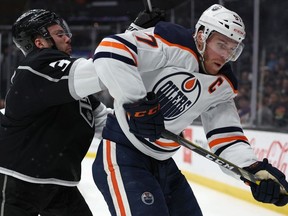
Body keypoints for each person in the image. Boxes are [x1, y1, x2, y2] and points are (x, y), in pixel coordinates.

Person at [92, 4, 288, 216]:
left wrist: (253, 170)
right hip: (123, 153)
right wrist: (138, 104)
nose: (225, 56)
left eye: (233, 49)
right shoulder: (172, 43)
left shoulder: (223, 83)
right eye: (221, 45)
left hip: (164, 164)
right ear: (202, 36)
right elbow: (110, 50)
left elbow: (227, 138)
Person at [0, 9, 111, 216]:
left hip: (59, 186)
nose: (68, 38)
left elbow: (107, 120)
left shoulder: (72, 88)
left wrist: (155, 124)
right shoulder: (36, 68)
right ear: (39, 43)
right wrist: (134, 38)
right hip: (16, 181)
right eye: (60, 34)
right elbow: (104, 72)